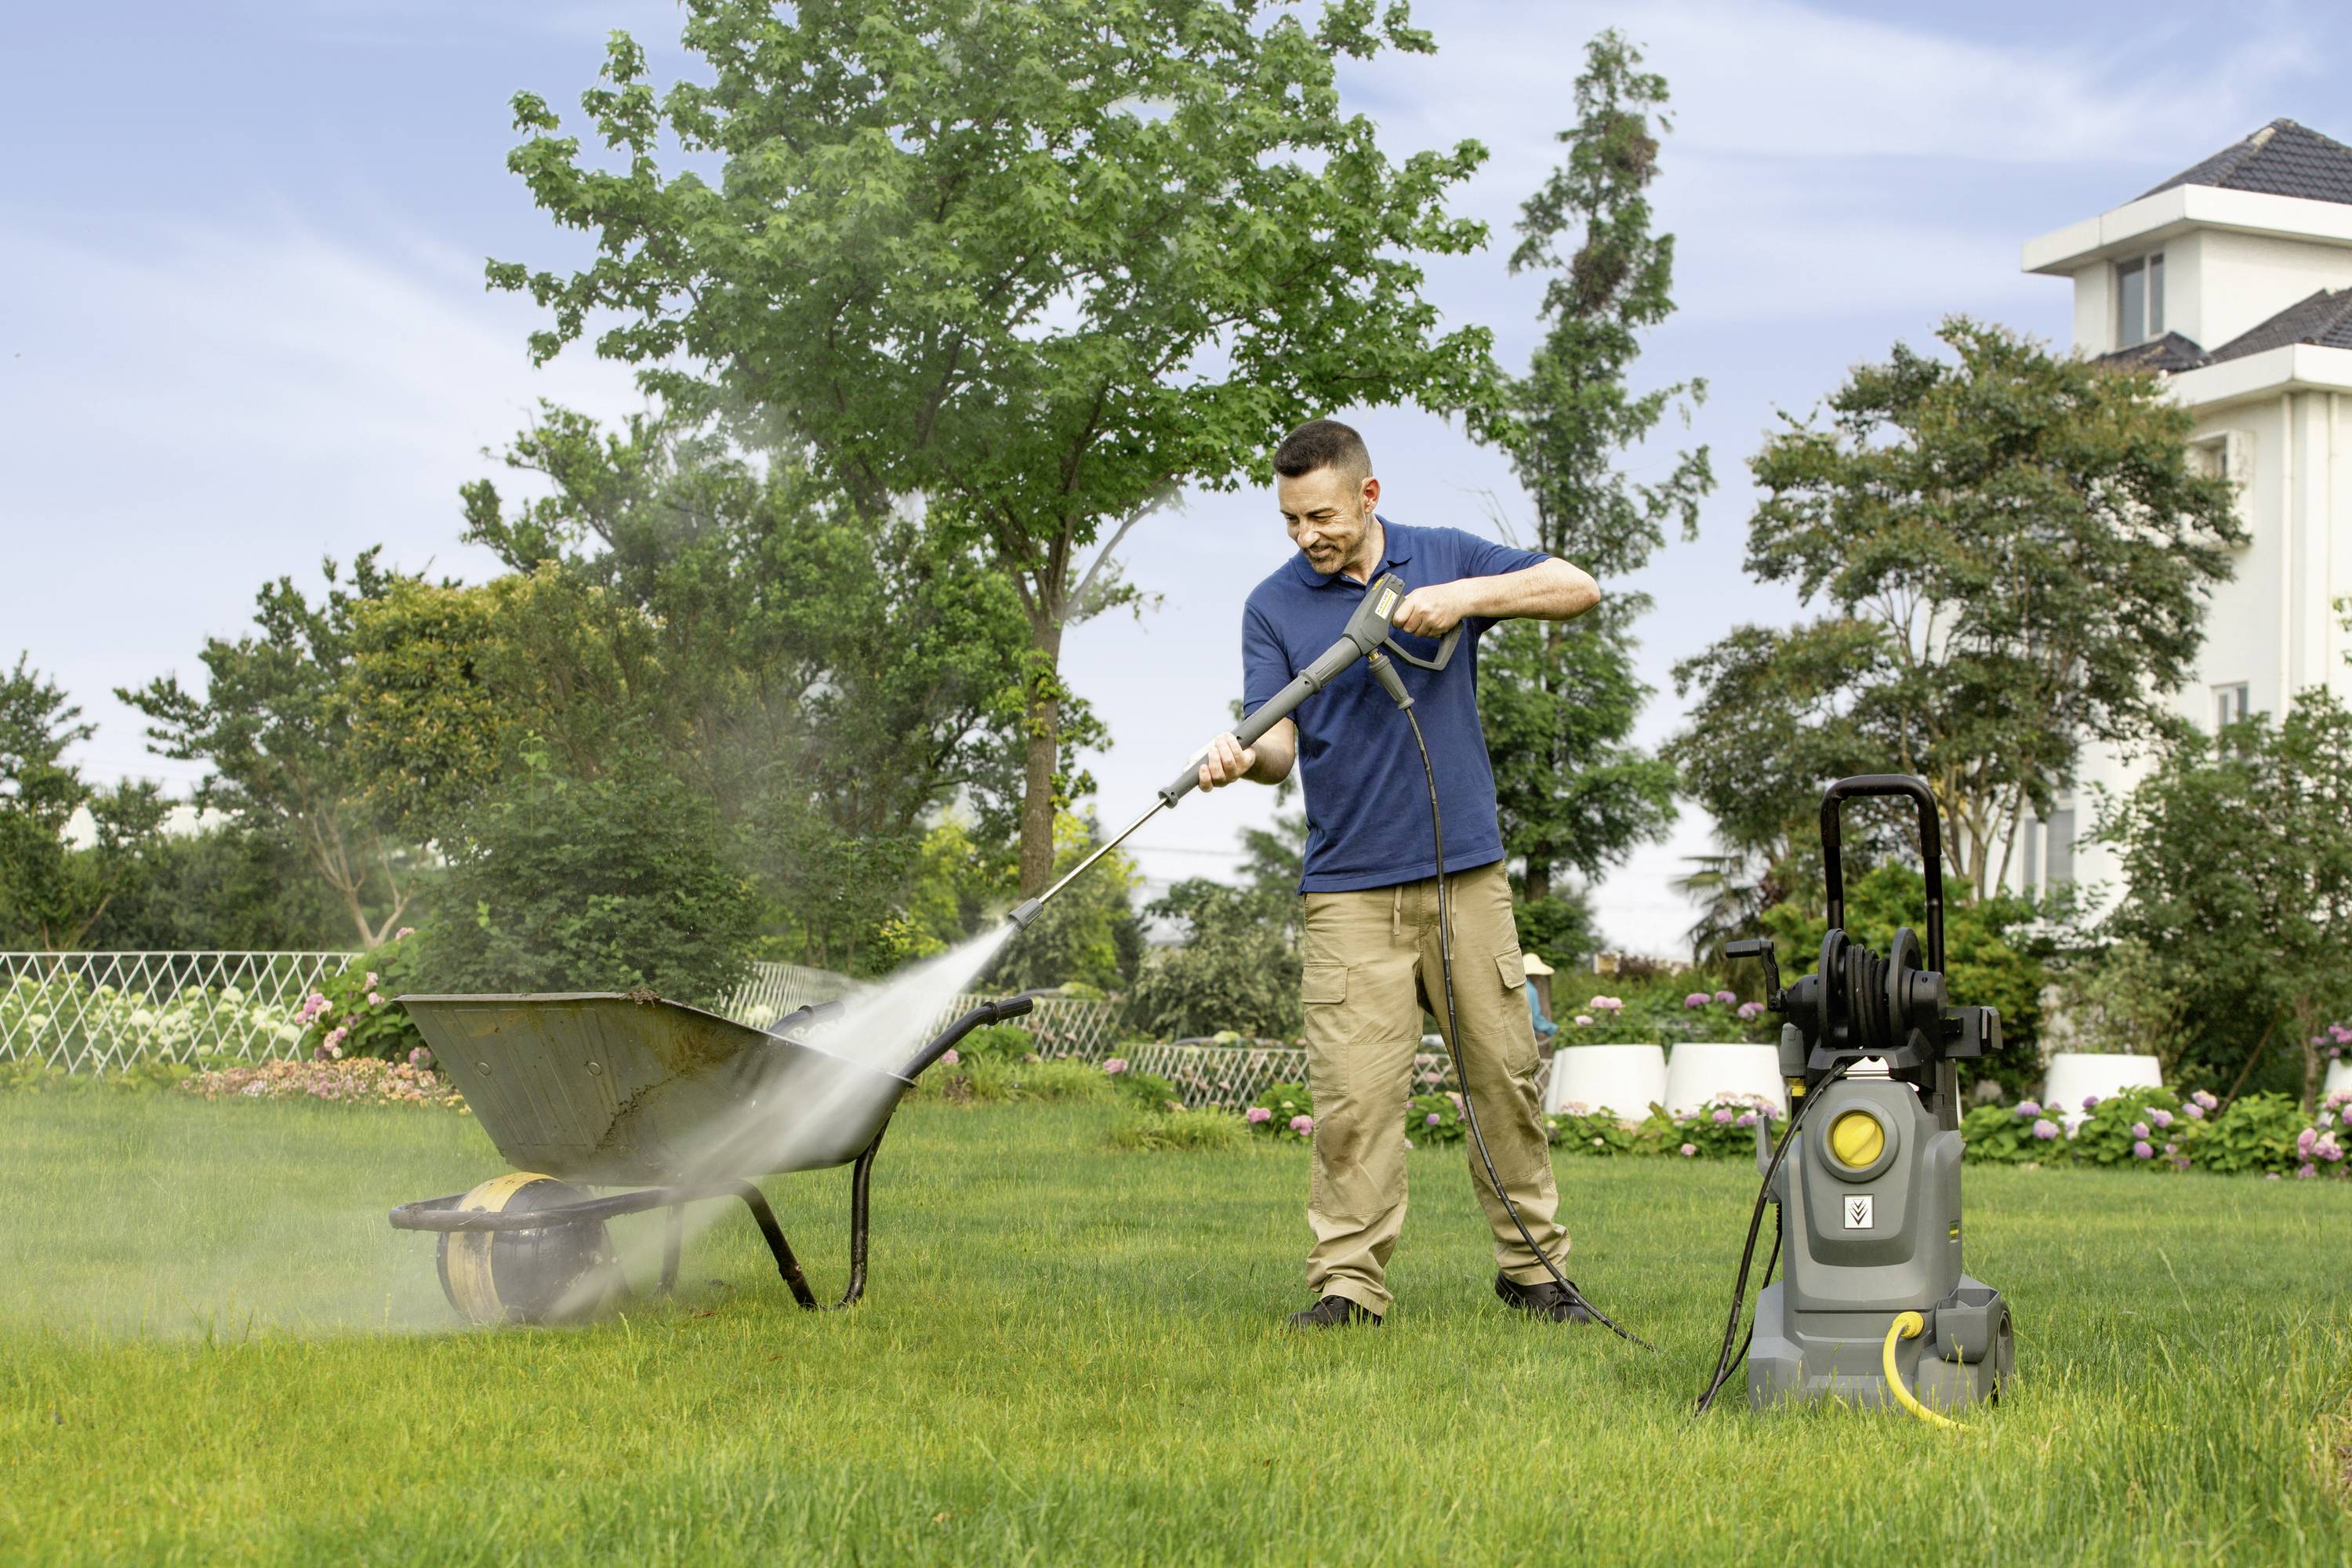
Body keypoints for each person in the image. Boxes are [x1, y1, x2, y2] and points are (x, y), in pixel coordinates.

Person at [1193, 418, 1602, 1327]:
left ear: (1368, 496)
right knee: (1354, 1100)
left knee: (1505, 1075)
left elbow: (1578, 587)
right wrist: (1240, 754)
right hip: (1348, 888)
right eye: (1292, 520)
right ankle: (1350, 1285)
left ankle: (1534, 1270)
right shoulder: (1274, 605)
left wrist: (1458, 598)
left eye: (1322, 515)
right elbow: (1280, 744)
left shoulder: (1443, 554)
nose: (1308, 536)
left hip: (1467, 877)